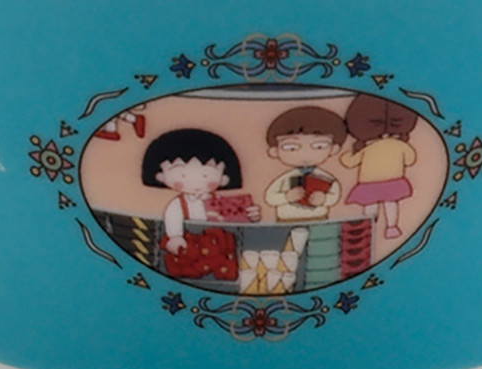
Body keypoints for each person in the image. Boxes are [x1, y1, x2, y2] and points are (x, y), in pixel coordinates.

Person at [141, 128, 259, 257]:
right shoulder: (178, 204)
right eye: (183, 175)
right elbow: (172, 217)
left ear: (223, 179)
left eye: (205, 175)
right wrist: (175, 236)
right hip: (191, 245)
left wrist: (251, 216)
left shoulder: (221, 201)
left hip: (220, 245)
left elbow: (234, 218)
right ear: (161, 177)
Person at [340, 95, 419, 240]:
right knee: (391, 204)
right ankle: (391, 227)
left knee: (370, 205)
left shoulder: (368, 148)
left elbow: (350, 162)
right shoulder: (400, 146)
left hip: (369, 184)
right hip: (393, 182)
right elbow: (410, 159)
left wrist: (346, 155)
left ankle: (369, 228)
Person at [262, 105, 347, 222]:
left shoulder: (327, 178)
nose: (305, 154)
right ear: (275, 151)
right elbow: (270, 198)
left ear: (334, 149)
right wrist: (286, 197)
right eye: (291, 147)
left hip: (319, 219)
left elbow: (335, 195)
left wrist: (324, 199)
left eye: (319, 146)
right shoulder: (284, 178)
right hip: (285, 221)